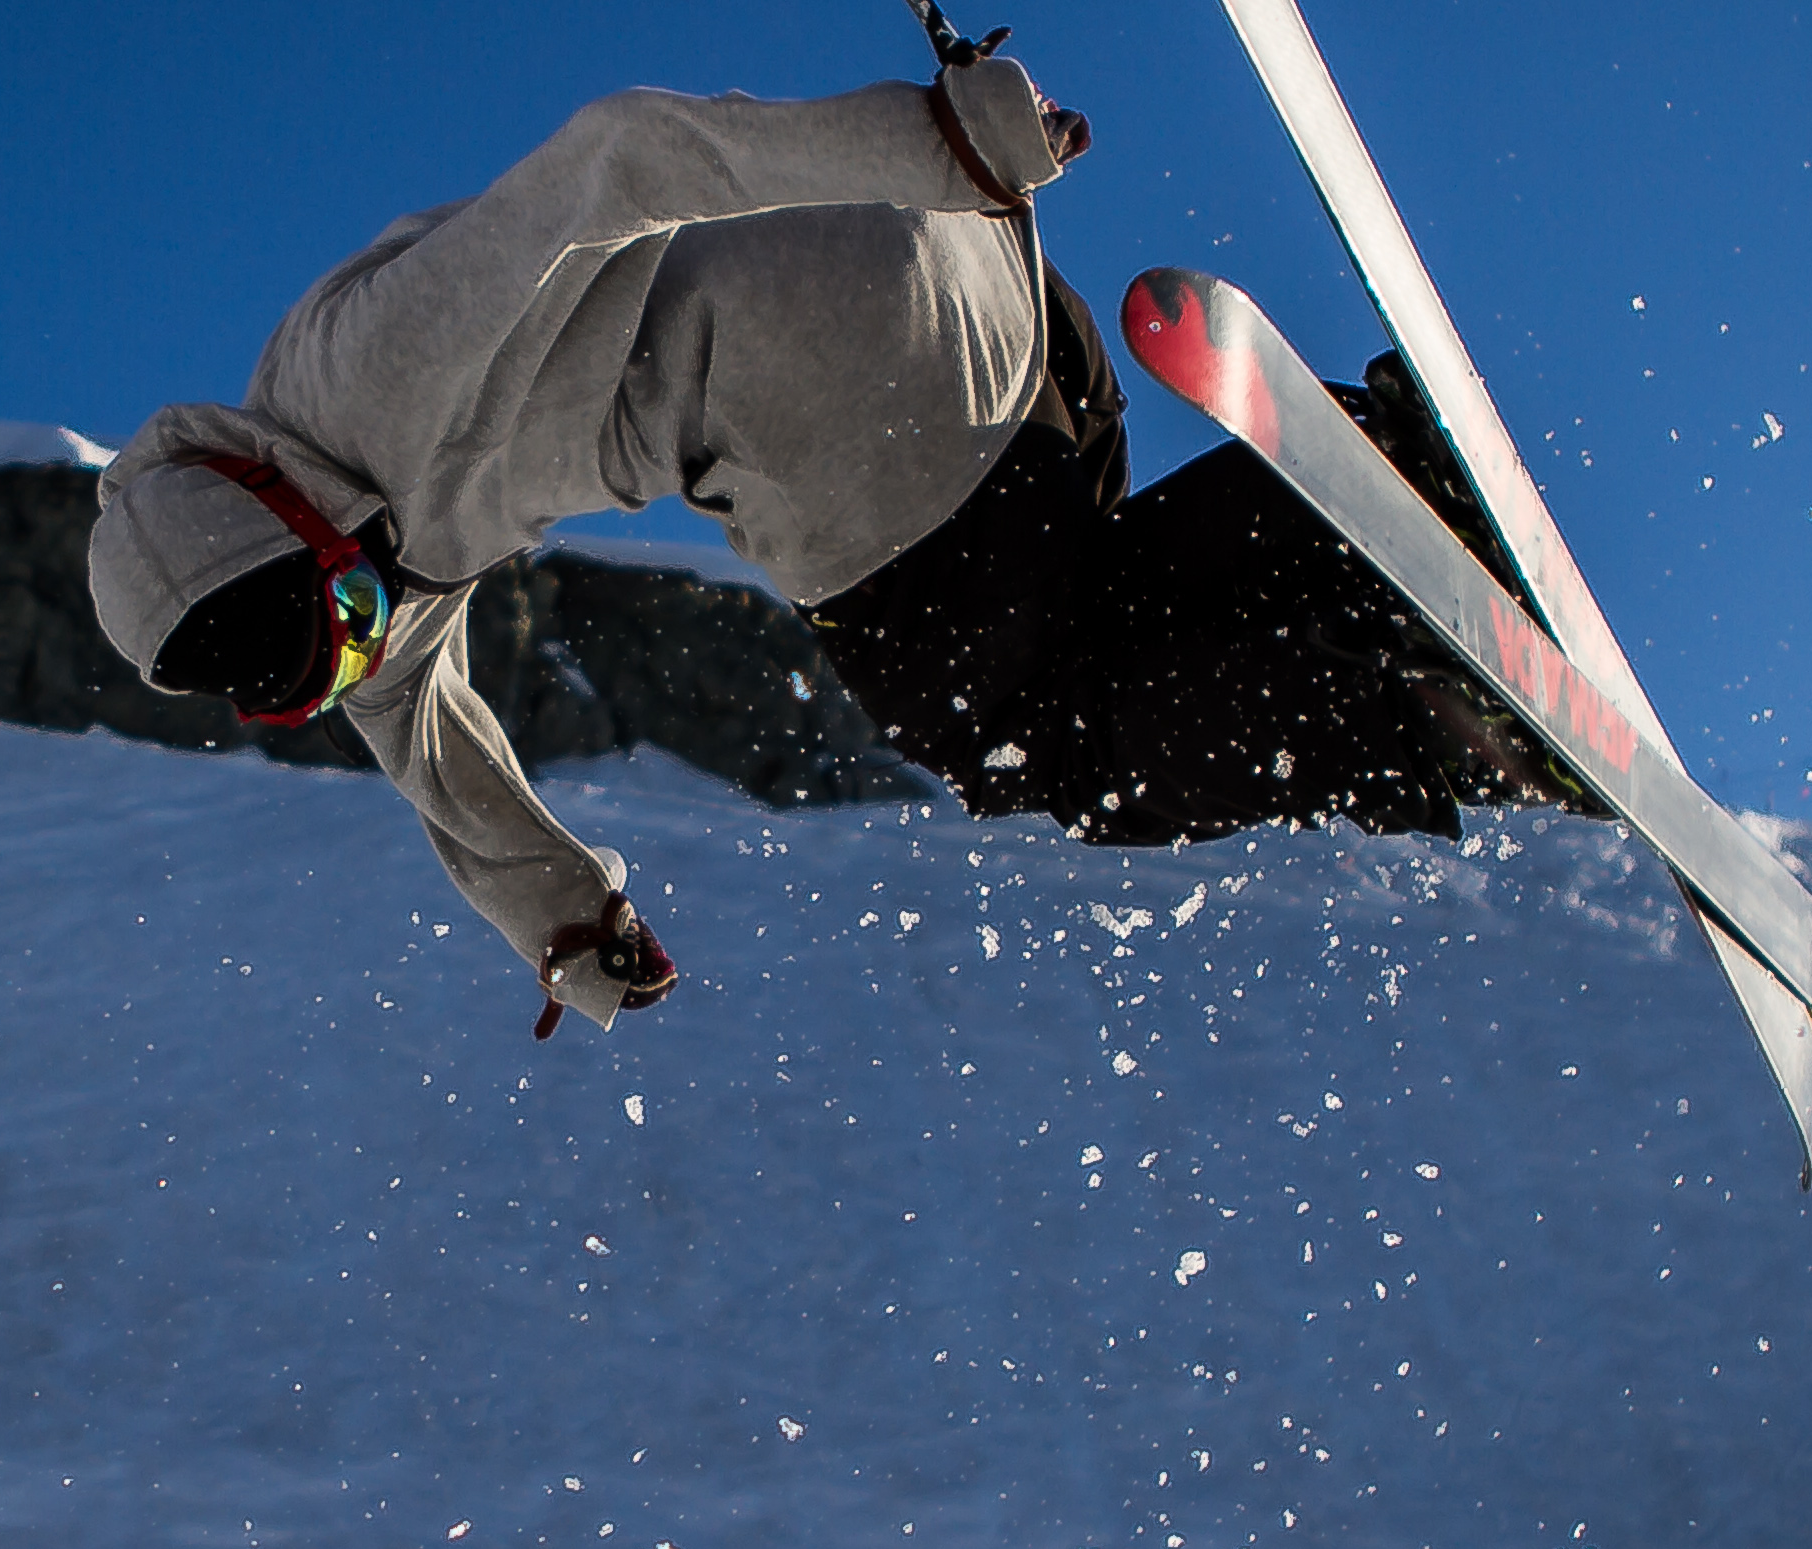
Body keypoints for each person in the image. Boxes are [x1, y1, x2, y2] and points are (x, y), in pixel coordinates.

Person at [84, 59, 1575, 1035]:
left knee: (1023, 740)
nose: (364, 633)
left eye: (338, 611)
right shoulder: (337, 567)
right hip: (982, 299)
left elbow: (611, 159)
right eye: (324, 666)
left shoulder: (354, 382)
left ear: (263, 521)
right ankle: (1370, 495)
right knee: (1095, 608)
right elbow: (440, 761)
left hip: (847, 355)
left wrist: (926, 141)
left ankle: (1420, 719)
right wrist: (570, 926)